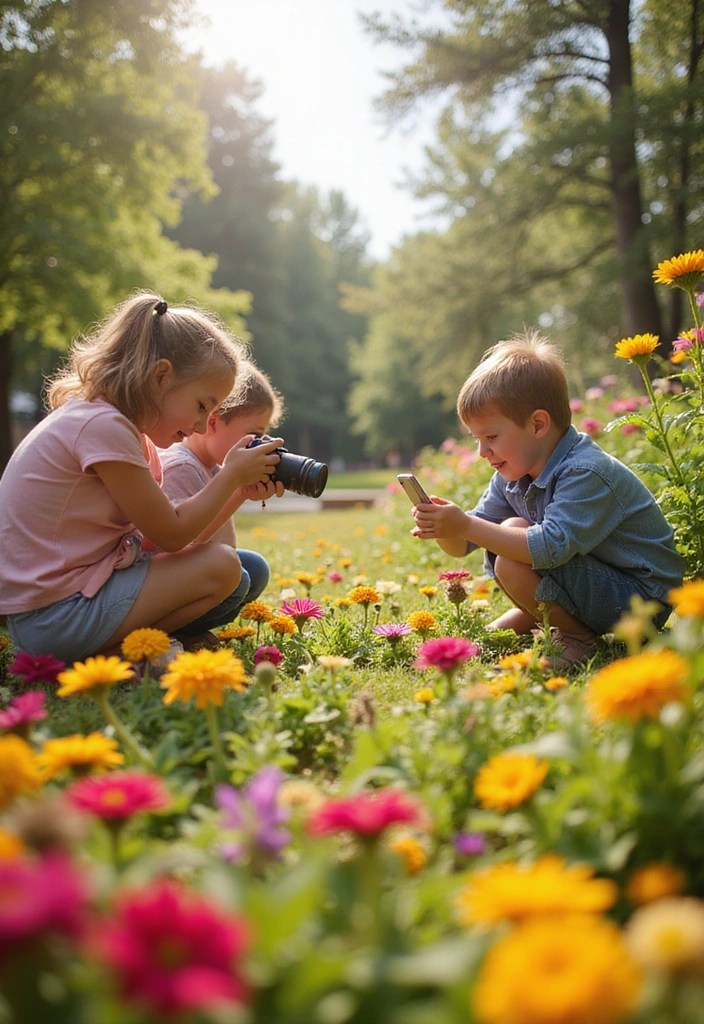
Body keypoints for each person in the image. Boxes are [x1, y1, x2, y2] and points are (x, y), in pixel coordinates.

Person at [0, 291, 284, 665]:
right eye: (202, 405)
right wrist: (229, 476)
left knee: (240, 568)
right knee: (223, 567)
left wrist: (236, 489)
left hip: (67, 604)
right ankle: (119, 652)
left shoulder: (120, 430)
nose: (201, 425)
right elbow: (172, 534)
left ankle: (123, 647)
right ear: (161, 376)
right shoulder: (103, 426)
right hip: (53, 618)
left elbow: (164, 540)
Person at [409, 331, 684, 669]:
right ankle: (538, 618)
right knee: (504, 537)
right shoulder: (512, 475)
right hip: (600, 583)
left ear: (538, 424)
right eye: (477, 439)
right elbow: (464, 544)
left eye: (491, 437)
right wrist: (445, 527)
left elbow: (549, 548)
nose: (482, 452)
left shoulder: (585, 471)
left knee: (512, 544)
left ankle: (577, 638)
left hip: (642, 601)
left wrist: (465, 523)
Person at [157, 360, 285, 650]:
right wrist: (234, 486)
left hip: (190, 576)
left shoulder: (213, 469)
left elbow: (224, 546)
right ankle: (166, 633)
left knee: (252, 568)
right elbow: (181, 544)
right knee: (239, 579)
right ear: (213, 423)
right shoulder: (180, 466)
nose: (260, 446)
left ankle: (185, 632)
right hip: (162, 583)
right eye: (254, 436)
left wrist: (238, 490)